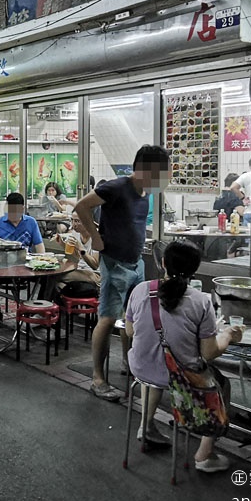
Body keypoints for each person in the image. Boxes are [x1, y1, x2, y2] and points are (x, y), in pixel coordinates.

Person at [125, 240, 242, 472]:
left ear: (162, 263)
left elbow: (130, 331)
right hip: (181, 377)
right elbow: (208, 353)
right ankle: (204, 455)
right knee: (222, 383)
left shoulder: (141, 290)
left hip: (141, 369)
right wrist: (227, 335)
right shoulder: (201, 301)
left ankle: (146, 426)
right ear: (194, 270)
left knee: (159, 366)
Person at [75, 144, 171, 401]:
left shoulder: (145, 193)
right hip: (114, 263)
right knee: (107, 319)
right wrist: (95, 238)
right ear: (145, 170)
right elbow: (82, 206)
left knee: (132, 318)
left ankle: (128, 365)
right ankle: (97, 378)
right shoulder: (117, 187)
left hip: (135, 263)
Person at [0, 192, 46, 326]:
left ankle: (40, 312)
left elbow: (40, 246)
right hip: (4, 268)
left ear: (22, 209)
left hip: (26, 268)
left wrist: (42, 260)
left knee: (48, 278)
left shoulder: (31, 222)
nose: (13, 216)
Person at [48, 212, 101, 301]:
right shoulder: (76, 234)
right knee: (51, 275)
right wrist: (62, 244)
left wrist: (80, 248)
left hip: (95, 275)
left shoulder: (97, 237)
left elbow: (95, 265)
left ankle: (45, 307)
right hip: (80, 270)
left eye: (77, 221)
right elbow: (77, 257)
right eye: (72, 220)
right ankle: (50, 307)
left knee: (53, 276)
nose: (73, 224)